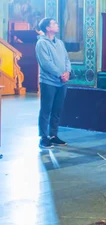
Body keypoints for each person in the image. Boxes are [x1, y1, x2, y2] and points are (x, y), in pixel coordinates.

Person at [36, 17, 71, 149]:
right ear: (47, 28)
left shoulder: (60, 43)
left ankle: (53, 135)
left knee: (57, 110)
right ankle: (43, 138)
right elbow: (46, 63)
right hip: (48, 82)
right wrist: (60, 74)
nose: (57, 25)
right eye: (54, 24)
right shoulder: (41, 44)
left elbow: (67, 59)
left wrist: (67, 72)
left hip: (62, 83)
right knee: (46, 110)